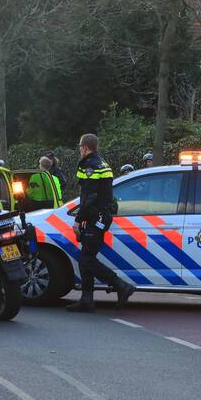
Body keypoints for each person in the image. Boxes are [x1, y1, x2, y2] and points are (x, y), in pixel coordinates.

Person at [67, 133, 135, 313]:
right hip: (100, 216)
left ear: (85, 148)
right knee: (85, 258)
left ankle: (121, 286)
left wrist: (77, 219)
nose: (80, 151)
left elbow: (89, 196)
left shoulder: (90, 165)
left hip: (95, 216)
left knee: (86, 258)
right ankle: (86, 300)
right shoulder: (102, 163)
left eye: (80, 148)